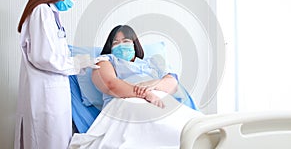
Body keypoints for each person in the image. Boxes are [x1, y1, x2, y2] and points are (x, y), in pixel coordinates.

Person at [68, 25, 201, 148]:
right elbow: (110, 85)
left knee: (185, 121)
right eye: (115, 43)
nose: (121, 45)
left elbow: (172, 84)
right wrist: (144, 93)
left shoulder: (152, 62)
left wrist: (154, 84)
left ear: (134, 44)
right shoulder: (105, 61)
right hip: (125, 102)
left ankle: (201, 136)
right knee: (160, 123)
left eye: (126, 41)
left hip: (159, 97)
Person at [14, 0, 99, 149]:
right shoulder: (41, 11)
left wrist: (80, 63)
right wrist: (79, 63)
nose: (72, 2)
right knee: (44, 141)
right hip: (44, 96)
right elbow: (44, 57)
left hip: (54, 94)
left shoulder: (52, 14)